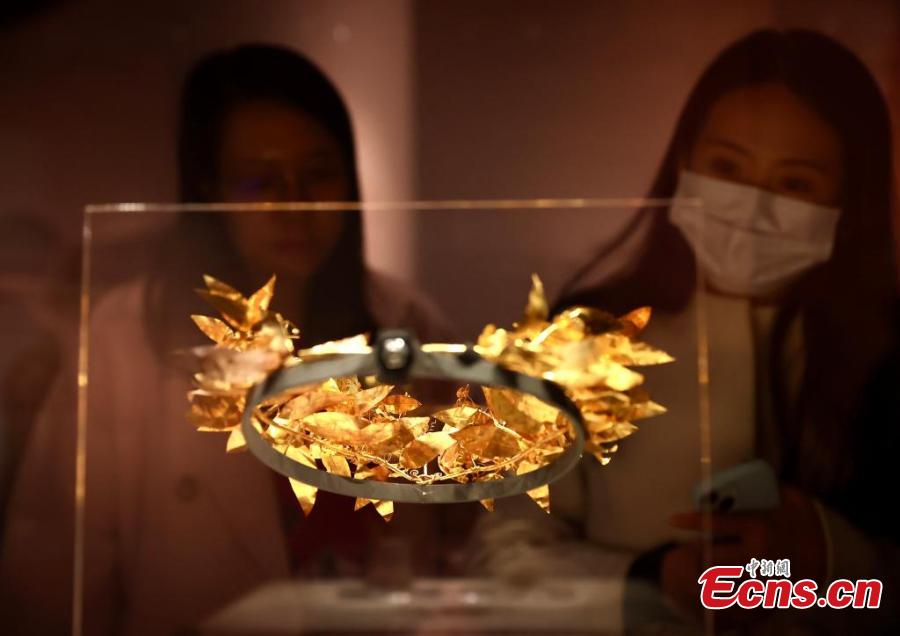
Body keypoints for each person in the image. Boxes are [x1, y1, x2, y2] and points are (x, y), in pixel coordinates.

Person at [0, 44, 456, 635]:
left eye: (317, 173)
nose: (294, 205)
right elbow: (53, 578)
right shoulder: (125, 341)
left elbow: (466, 543)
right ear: (209, 191)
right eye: (259, 180)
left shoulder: (405, 324)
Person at [467, 30, 899, 633]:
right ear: (684, 163)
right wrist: (645, 584)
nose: (751, 206)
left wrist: (832, 556)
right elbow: (504, 549)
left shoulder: (884, 355)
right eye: (727, 168)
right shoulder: (582, 337)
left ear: (850, 199)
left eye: (794, 184)